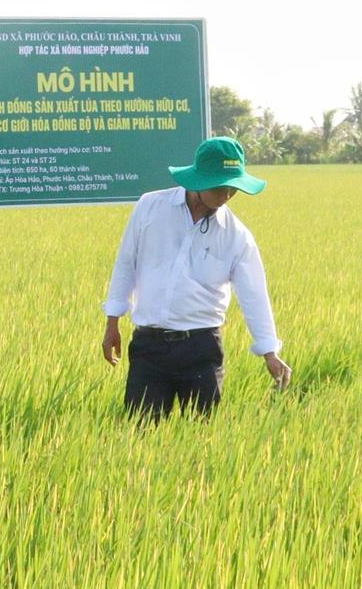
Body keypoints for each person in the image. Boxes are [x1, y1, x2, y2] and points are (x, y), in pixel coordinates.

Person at [100, 136, 293, 420]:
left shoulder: (237, 236)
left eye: (233, 188)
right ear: (199, 180)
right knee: (139, 436)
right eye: (220, 187)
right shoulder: (150, 208)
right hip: (149, 347)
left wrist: (270, 351)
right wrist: (112, 322)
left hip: (201, 349)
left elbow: (255, 296)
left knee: (199, 439)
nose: (227, 195)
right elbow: (126, 262)